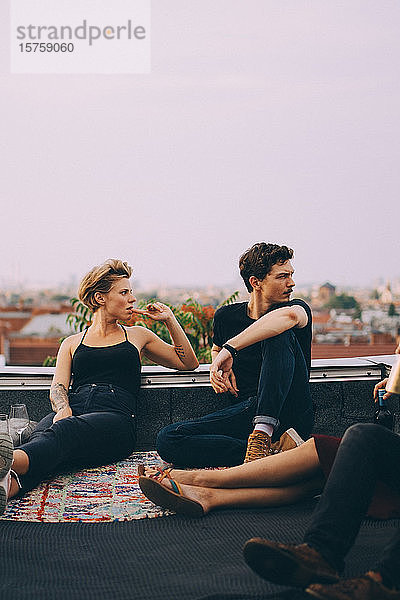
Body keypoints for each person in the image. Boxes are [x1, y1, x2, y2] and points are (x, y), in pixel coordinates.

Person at [0, 259, 198, 515]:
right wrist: (62, 409)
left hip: (115, 419)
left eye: (131, 292)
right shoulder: (72, 342)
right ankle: (8, 486)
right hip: (74, 410)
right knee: (43, 433)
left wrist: (169, 320)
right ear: (100, 297)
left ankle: (8, 459)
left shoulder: (137, 335)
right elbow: (58, 386)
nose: (133, 299)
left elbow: (188, 363)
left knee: (61, 433)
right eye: (124, 292)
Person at [138, 379, 400, 527]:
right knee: (321, 477)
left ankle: (199, 479)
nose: (291, 283)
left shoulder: (295, 311)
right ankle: (209, 497)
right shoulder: (236, 316)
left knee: (322, 447)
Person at [156, 242, 313, 468]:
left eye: (291, 275)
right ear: (255, 282)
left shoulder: (296, 309)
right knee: (168, 439)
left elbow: (286, 318)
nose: (291, 283)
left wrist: (230, 349)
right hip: (246, 409)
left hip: (290, 412)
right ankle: (273, 452)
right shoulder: (226, 317)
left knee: (276, 332)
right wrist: (218, 367)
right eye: (282, 277)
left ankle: (263, 435)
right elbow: (216, 349)